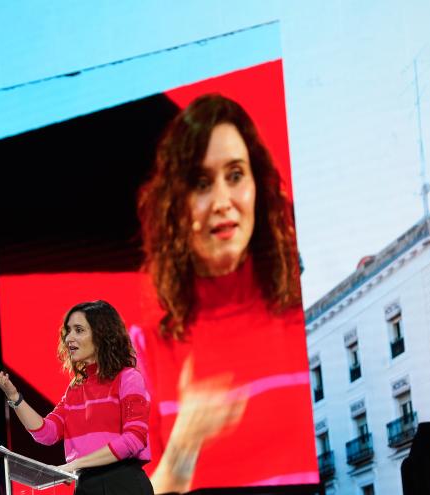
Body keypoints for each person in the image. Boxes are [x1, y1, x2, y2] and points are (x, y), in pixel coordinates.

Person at [134, 94, 316, 492]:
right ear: (175, 207)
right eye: (201, 183)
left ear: (258, 187)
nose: (222, 202)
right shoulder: (142, 351)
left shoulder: (311, 314)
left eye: (235, 175)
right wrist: (182, 448)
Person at [0, 300, 155, 495]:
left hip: (123, 484)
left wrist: (74, 465)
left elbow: (134, 439)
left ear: (101, 335)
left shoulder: (128, 378)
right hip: (85, 486)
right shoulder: (76, 388)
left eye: (79, 330)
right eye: (68, 330)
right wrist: (14, 397)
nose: (69, 338)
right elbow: (46, 433)